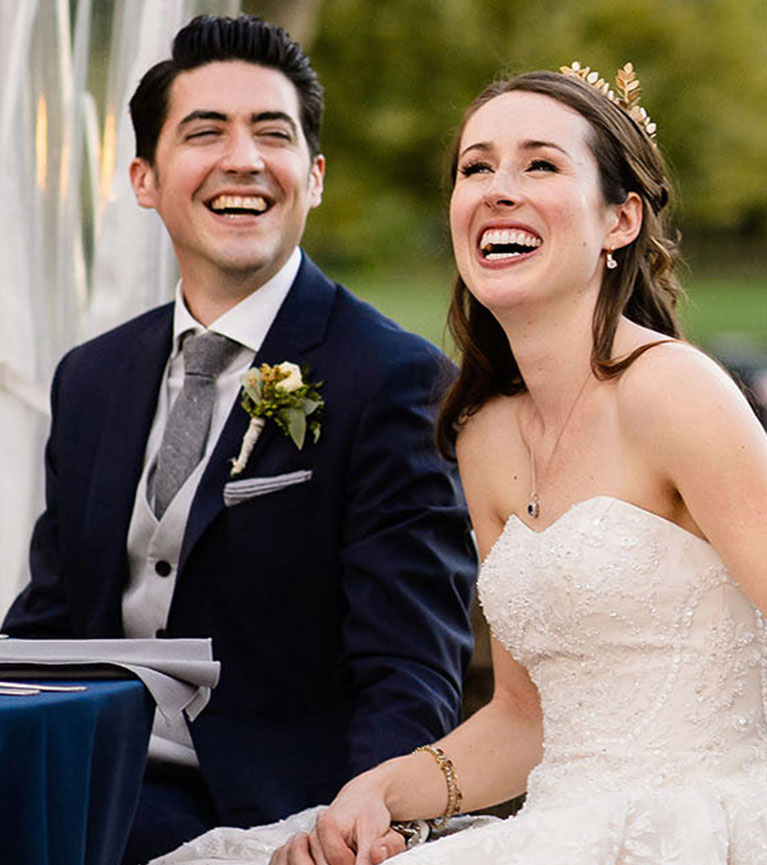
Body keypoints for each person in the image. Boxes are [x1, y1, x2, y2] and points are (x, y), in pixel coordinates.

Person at [151, 62, 767, 865]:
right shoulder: (485, 435)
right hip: (560, 822)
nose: (496, 188)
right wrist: (379, 792)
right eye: (475, 167)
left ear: (620, 220)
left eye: (539, 164)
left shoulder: (674, 391)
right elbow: (524, 714)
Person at [1, 14, 477, 865]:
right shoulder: (90, 378)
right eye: (205, 131)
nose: (244, 160)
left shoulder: (392, 380)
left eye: (273, 133)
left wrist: (357, 827)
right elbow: (47, 626)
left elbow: (410, 664)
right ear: (144, 178)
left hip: (265, 812)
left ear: (315, 175)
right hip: (78, 790)